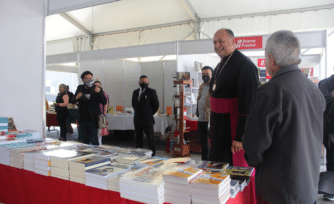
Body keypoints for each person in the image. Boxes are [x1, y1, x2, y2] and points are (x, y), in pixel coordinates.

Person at [242, 30, 326, 204]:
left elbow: (254, 149)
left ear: (271, 60)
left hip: (279, 191)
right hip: (308, 188)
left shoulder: (271, 92)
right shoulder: (314, 90)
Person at [209, 28, 260, 165]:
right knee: (218, 164)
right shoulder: (221, 64)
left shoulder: (245, 65)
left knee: (230, 166)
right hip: (219, 124)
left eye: (221, 41)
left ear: (233, 41)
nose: (217, 45)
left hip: (232, 127)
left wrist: (240, 137)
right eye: (214, 42)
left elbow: (249, 104)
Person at [72, 71, 107, 145]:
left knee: (94, 140)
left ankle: (95, 156)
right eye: (87, 79)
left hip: (93, 119)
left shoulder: (96, 88)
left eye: (90, 78)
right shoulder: (80, 88)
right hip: (82, 119)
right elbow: (72, 101)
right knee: (84, 141)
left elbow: (104, 101)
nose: (89, 80)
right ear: (83, 80)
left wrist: (99, 92)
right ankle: (86, 156)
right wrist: (77, 97)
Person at [132, 75, 159, 156]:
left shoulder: (152, 91)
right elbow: (134, 104)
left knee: (150, 138)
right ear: (139, 82)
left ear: (148, 82)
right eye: (142, 81)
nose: (144, 83)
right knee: (138, 138)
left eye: (146, 81)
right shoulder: (135, 92)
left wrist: (149, 113)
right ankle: (139, 154)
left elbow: (156, 105)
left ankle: (152, 154)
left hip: (148, 119)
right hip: (137, 119)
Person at [318, 73, 334, 201]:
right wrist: (332, 95)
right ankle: (330, 189)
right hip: (329, 129)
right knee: (332, 158)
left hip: (328, 128)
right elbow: (319, 100)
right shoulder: (324, 83)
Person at [196, 66, 213, 160]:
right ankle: (204, 161)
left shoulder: (214, 85)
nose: (205, 76)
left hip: (210, 118)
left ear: (212, 74)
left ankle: (210, 161)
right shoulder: (202, 86)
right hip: (201, 118)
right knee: (202, 141)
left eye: (207, 74)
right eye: (203, 74)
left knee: (211, 141)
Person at [94, 80, 109, 145]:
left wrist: (104, 114)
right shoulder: (92, 93)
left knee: (100, 131)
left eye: (98, 86)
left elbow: (106, 104)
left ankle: (99, 143)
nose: (97, 87)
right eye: (95, 86)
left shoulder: (104, 94)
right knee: (94, 129)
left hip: (101, 114)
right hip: (93, 114)